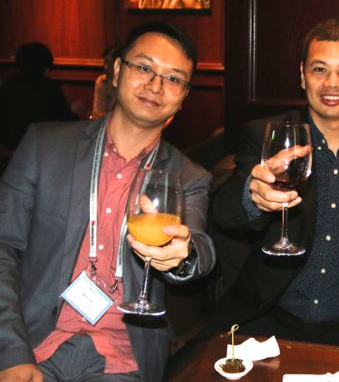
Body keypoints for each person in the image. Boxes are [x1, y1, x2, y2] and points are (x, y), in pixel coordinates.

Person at [0, 21, 215, 382]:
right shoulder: (44, 146)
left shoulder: (189, 176)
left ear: (183, 96)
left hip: (122, 358)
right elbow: (3, 247)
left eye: (173, 78)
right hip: (32, 344)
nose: (156, 85)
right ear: (116, 71)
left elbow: (198, 245)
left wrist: (185, 255)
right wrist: (10, 354)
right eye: (144, 67)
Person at [200, 19, 339, 352]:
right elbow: (224, 211)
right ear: (302, 75)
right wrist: (253, 196)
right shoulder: (267, 137)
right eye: (320, 69)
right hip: (269, 321)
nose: (332, 83)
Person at [0, 42, 77, 158]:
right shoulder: (50, 87)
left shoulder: (9, 85)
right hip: (41, 150)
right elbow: (66, 119)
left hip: (9, 150)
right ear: (46, 66)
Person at [90, 45, 119, 120]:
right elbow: (96, 114)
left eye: (109, 63)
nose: (105, 67)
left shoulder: (128, 84)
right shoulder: (101, 82)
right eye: (105, 63)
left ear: (118, 65)